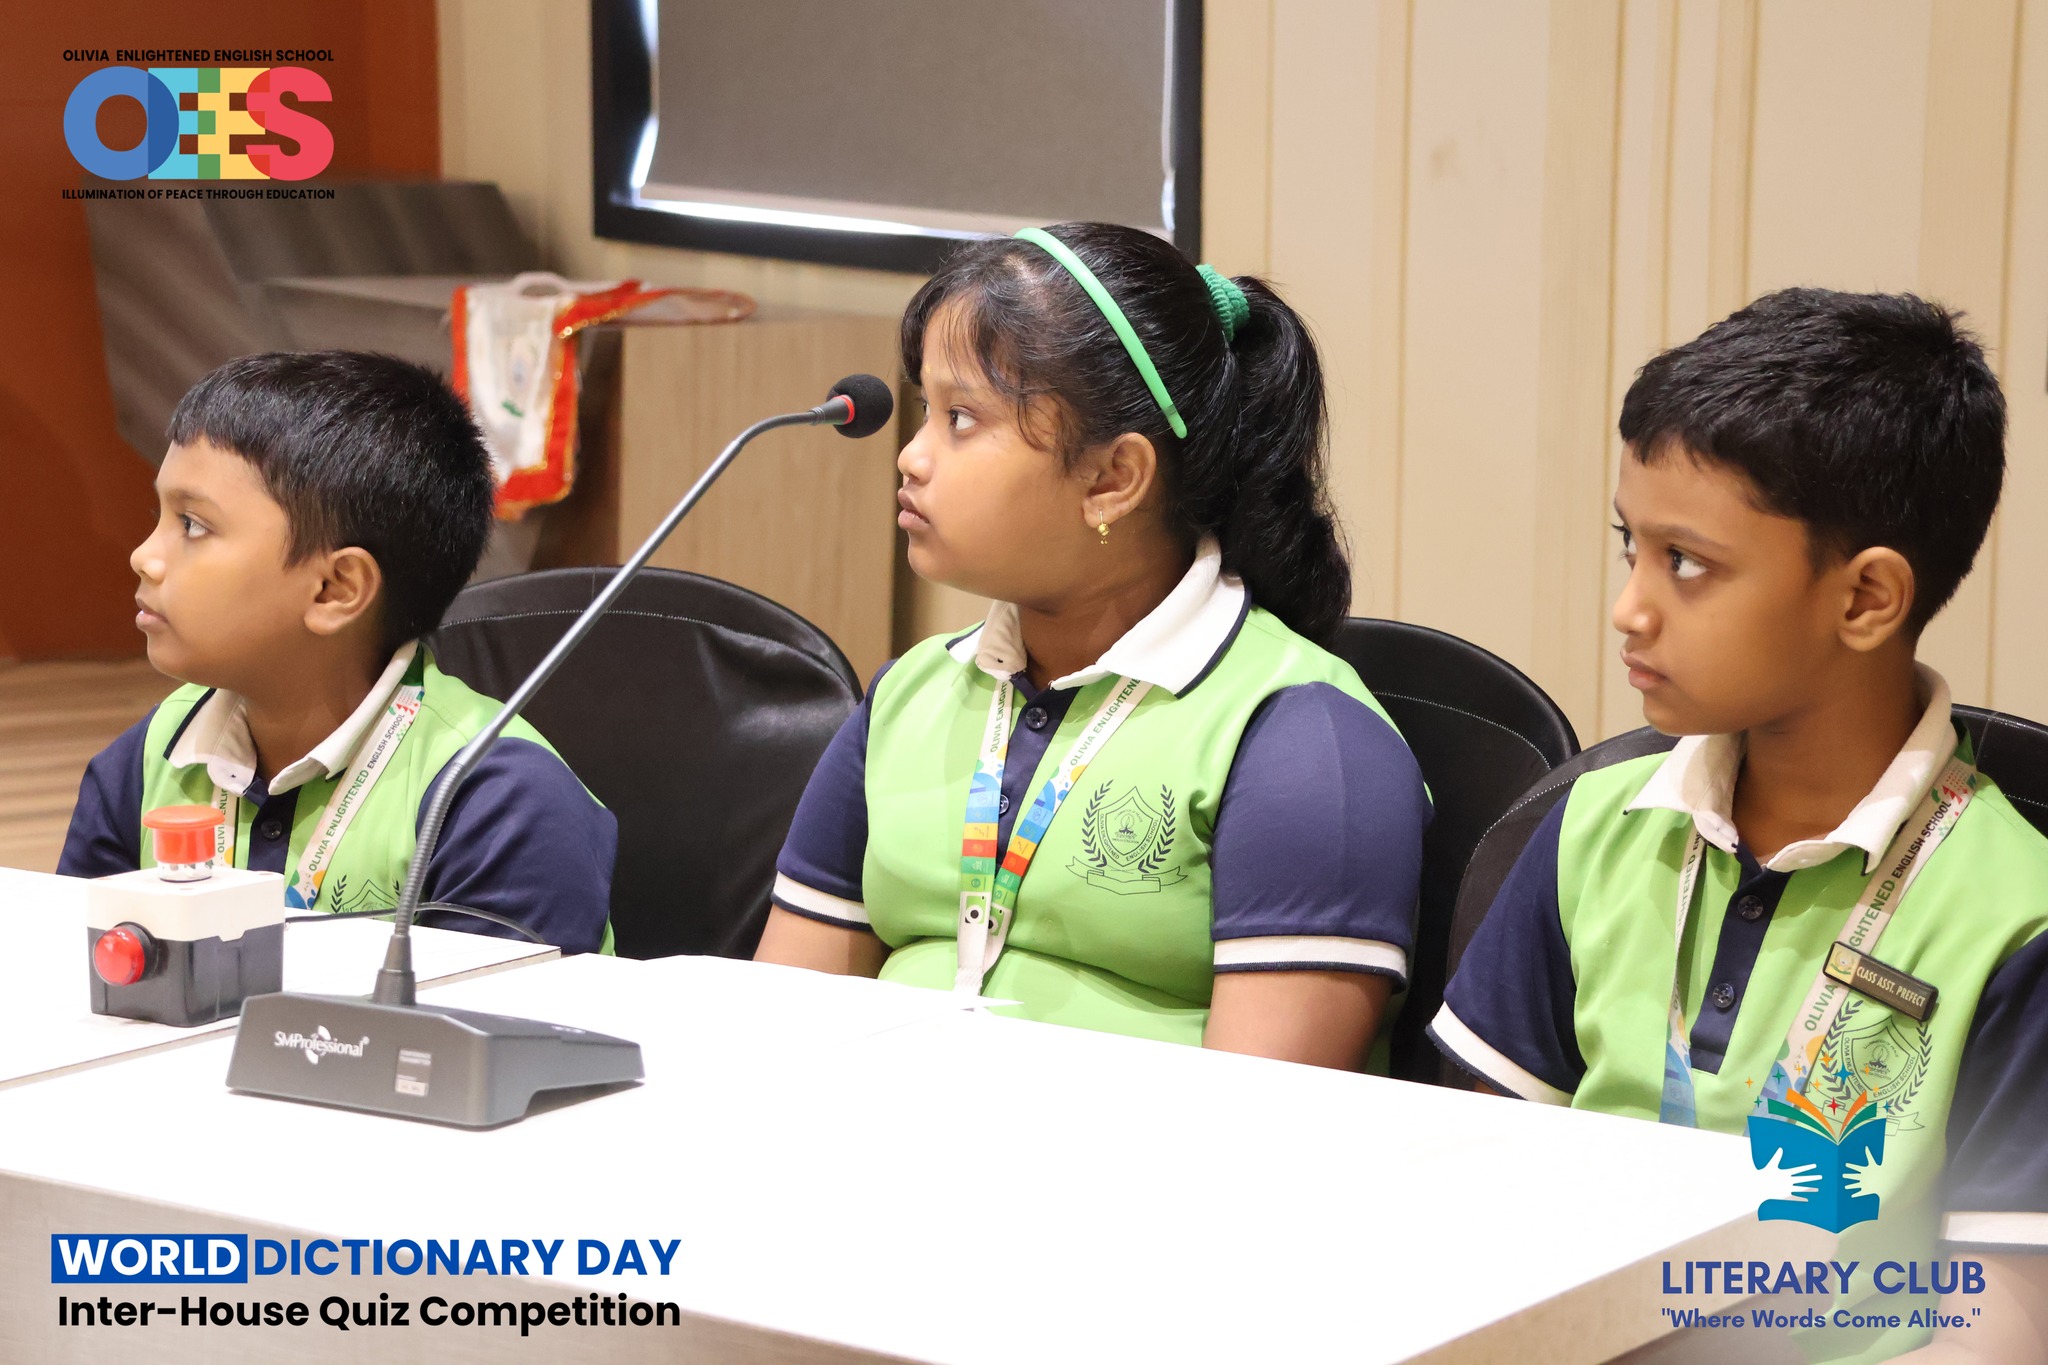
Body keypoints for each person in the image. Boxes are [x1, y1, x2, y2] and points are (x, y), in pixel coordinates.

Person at [1431, 290, 2048, 1363]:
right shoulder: (1590, 830)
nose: (1630, 607)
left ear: (1865, 599)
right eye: (1629, 546)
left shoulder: (2014, 917)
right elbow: (1478, 1190)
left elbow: (1999, 1320)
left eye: (1686, 562)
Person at [754, 222, 1430, 1070]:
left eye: (961, 418)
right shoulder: (909, 694)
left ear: (1112, 478)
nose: (913, 457)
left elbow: (1256, 1122)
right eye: (926, 409)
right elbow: (773, 1033)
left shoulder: (1304, 744)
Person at [60, 351, 615, 955]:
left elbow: (495, 1016)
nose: (143, 556)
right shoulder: (148, 758)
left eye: (193, 524)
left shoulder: (500, 804)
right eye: (159, 514)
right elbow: (72, 974)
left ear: (334, 589)